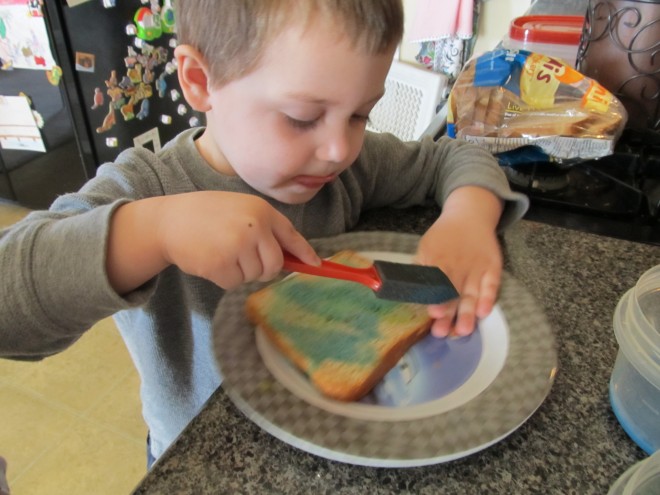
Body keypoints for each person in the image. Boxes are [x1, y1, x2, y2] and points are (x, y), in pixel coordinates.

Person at [0, 0, 528, 465]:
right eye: (302, 117)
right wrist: (153, 230)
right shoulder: (147, 188)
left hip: (330, 451)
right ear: (200, 81)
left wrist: (467, 217)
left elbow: (454, 157)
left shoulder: (347, 167)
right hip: (202, 465)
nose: (340, 149)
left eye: (361, 114)